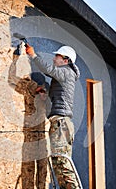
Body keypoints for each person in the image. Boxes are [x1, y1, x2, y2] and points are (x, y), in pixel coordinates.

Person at [26, 44, 81, 189]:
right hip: (60, 124)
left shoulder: (67, 72)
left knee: (62, 162)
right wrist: (45, 91)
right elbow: (56, 96)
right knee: (58, 164)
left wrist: (33, 56)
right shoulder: (64, 76)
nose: (54, 58)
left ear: (65, 60)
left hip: (61, 124)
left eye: (57, 56)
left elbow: (48, 70)